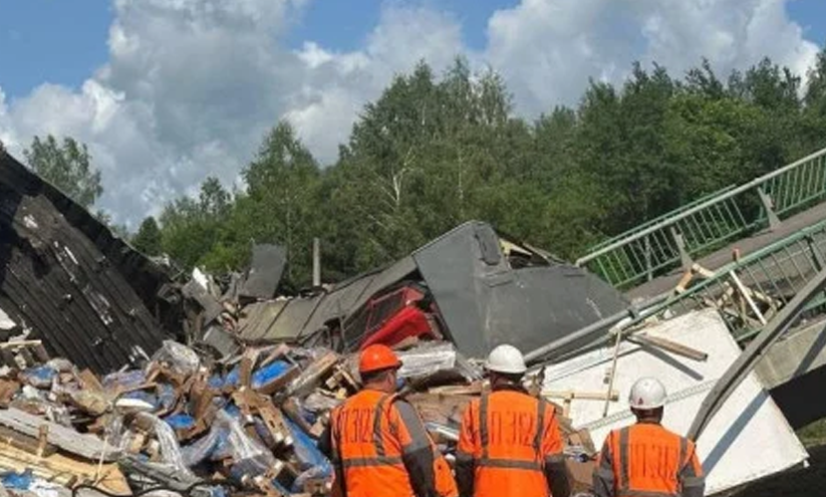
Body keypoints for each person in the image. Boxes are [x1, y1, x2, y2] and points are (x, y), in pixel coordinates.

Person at [320, 344, 457, 497]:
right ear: (391, 376)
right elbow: (421, 460)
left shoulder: (340, 412)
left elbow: (328, 450)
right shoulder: (395, 408)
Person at [456, 344, 571, 497]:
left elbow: (464, 464)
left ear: (493, 376)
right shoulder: (542, 411)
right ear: (520, 376)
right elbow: (555, 466)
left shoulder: (476, 409)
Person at [593, 377, 705, 497]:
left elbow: (602, 483)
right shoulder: (684, 446)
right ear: (662, 408)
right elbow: (695, 487)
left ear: (633, 409)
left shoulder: (615, 440)